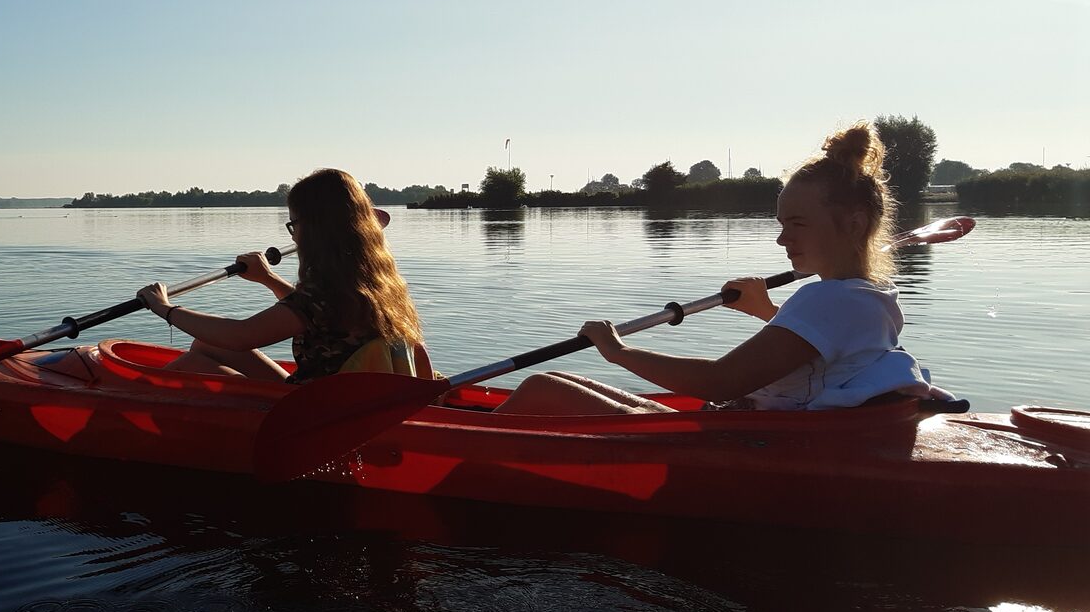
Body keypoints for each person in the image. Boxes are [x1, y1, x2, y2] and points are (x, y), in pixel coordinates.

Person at [497, 122, 937, 415]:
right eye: (783, 225)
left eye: (798, 224)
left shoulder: (826, 298)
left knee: (541, 389)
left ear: (854, 223)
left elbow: (720, 382)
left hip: (744, 444)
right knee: (555, 381)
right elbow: (833, 350)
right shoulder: (873, 295)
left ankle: (458, 455)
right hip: (747, 430)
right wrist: (767, 311)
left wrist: (617, 351)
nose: (783, 239)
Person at [135, 168, 428, 382]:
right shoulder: (372, 284)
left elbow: (241, 336)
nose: (293, 233)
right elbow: (323, 321)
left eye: (294, 224)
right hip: (340, 402)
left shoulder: (323, 294)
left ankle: (132, 406)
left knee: (193, 363)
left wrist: (165, 309)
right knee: (206, 344)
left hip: (315, 414)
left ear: (314, 229)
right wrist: (268, 279)